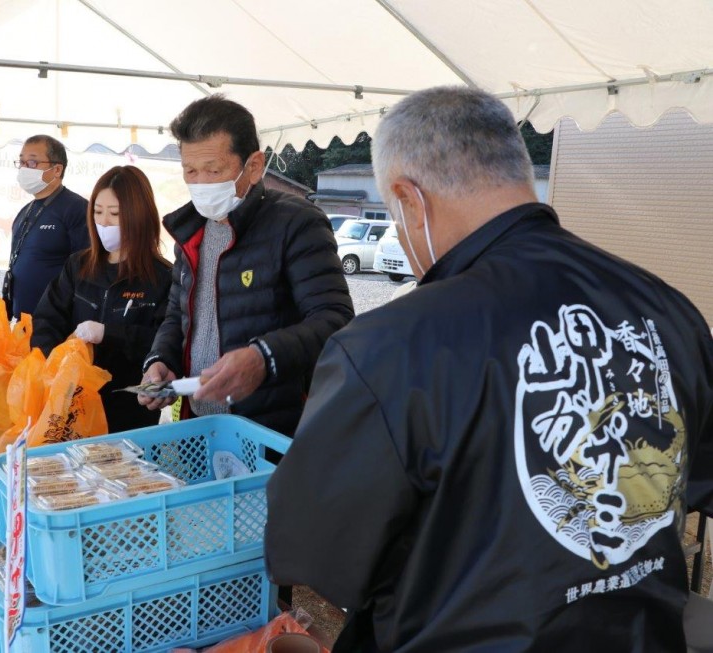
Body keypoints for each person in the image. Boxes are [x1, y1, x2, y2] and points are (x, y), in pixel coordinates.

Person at [266, 86, 713, 652]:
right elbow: (695, 478)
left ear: (408, 198)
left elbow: (312, 549)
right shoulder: (667, 308)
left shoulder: (388, 346)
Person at [137, 95, 354, 436]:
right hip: (200, 425)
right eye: (190, 171)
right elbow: (178, 317)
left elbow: (335, 319)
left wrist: (262, 357)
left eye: (214, 170)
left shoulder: (296, 222)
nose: (201, 183)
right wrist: (161, 360)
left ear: (253, 166)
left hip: (273, 430)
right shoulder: (190, 229)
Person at [31, 166, 173, 433]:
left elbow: (164, 340)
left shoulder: (162, 278)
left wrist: (109, 333)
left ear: (139, 216)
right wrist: (54, 366)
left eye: (115, 214)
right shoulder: (79, 265)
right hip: (71, 409)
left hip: (129, 414)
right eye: (98, 212)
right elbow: (47, 319)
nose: (104, 222)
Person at [2, 135, 89, 321]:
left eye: (32, 162)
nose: (25, 168)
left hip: (56, 323)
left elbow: (87, 268)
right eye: (21, 162)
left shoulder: (76, 208)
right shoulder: (25, 211)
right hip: (22, 320)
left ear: (56, 169)